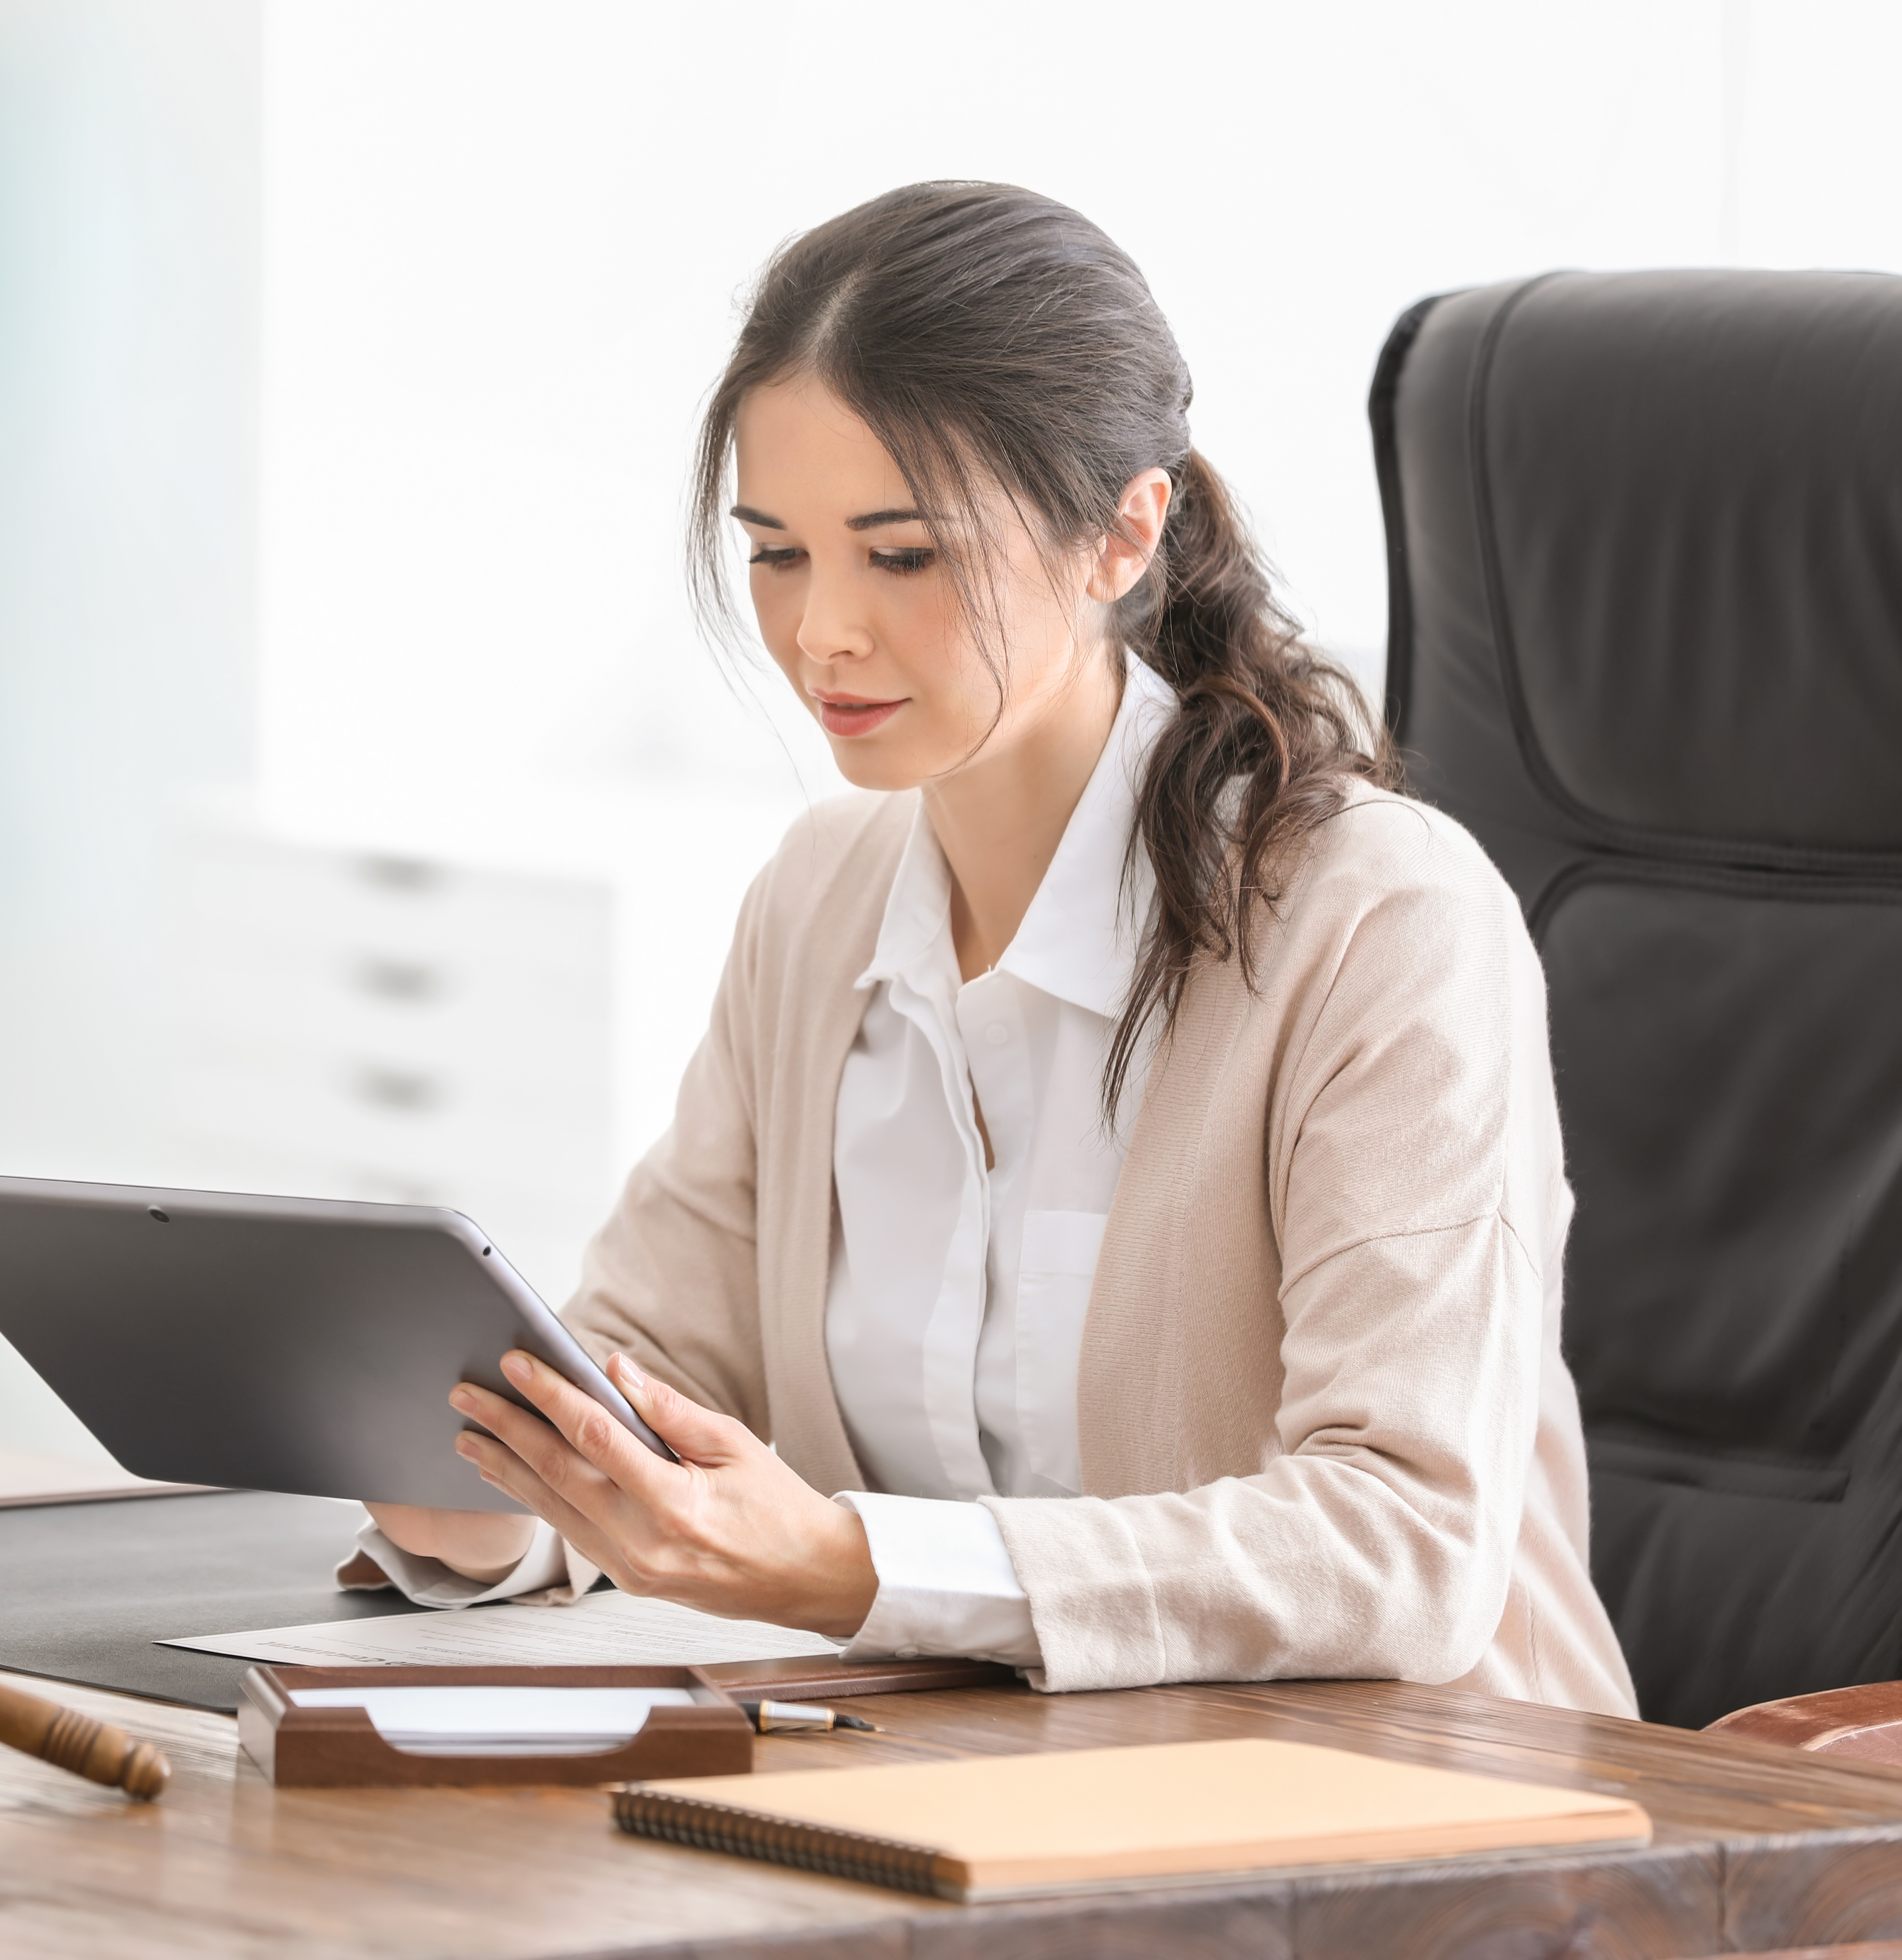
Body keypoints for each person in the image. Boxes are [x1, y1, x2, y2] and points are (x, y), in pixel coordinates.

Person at [346, 181, 1635, 1717]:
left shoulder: (1378, 922)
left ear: (1120, 534)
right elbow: (650, 1362)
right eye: (776, 553)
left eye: (900, 557)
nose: (823, 632)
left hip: (1427, 1843)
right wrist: (493, 1492)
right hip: (974, 1803)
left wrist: (847, 1563)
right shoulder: (821, 900)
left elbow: (1403, 1542)